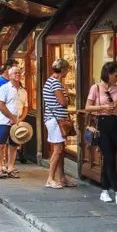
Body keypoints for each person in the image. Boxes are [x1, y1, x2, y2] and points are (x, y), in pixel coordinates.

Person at [87, 61, 117, 205]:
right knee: (108, 156)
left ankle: (104, 190)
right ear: (108, 74)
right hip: (102, 122)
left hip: (114, 123)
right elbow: (87, 107)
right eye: (116, 75)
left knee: (110, 157)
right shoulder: (95, 88)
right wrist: (102, 106)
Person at [43, 58, 75, 189]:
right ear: (62, 70)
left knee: (60, 150)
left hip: (54, 119)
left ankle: (62, 177)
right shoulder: (55, 83)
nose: (68, 71)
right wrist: (66, 96)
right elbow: (63, 102)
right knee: (57, 150)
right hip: (55, 120)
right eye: (67, 69)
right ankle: (50, 179)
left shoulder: (49, 81)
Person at [0, 66, 26, 178]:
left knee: (14, 145)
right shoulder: (4, 88)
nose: (17, 75)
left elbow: (26, 106)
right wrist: (13, 118)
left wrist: (20, 119)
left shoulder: (23, 91)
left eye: (19, 73)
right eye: (15, 73)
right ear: (10, 75)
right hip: (4, 121)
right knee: (1, 144)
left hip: (16, 123)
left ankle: (10, 167)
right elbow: (1, 106)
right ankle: (0, 168)